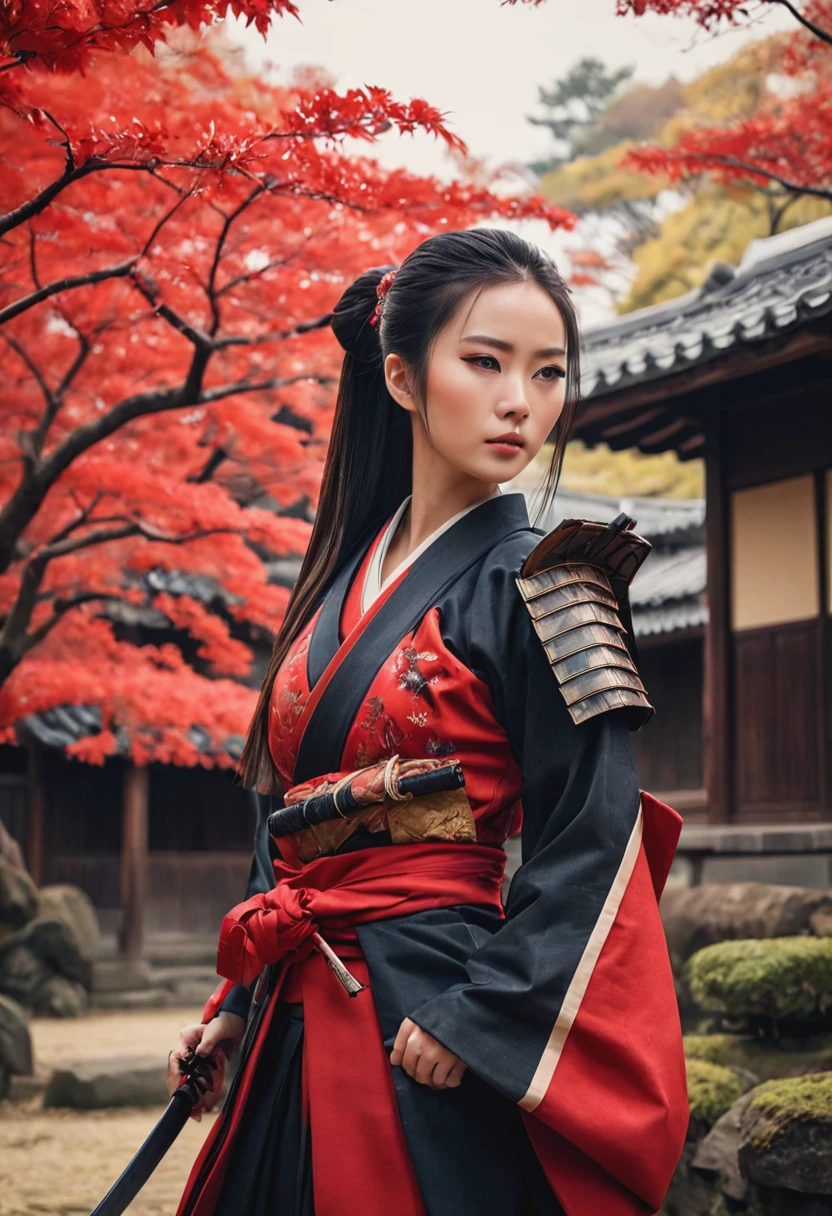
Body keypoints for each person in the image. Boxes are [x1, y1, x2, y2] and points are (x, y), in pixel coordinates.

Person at [169, 228, 688, 1216]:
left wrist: (485, 1014)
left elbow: (595, 837)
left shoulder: (552, 579)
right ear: (402, 377)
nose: (518, 402)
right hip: (297, 996)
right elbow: (282, 818)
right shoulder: (327, 585)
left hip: (436, 1015)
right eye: (484, 361)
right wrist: (237, 1004)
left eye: (547, 373)